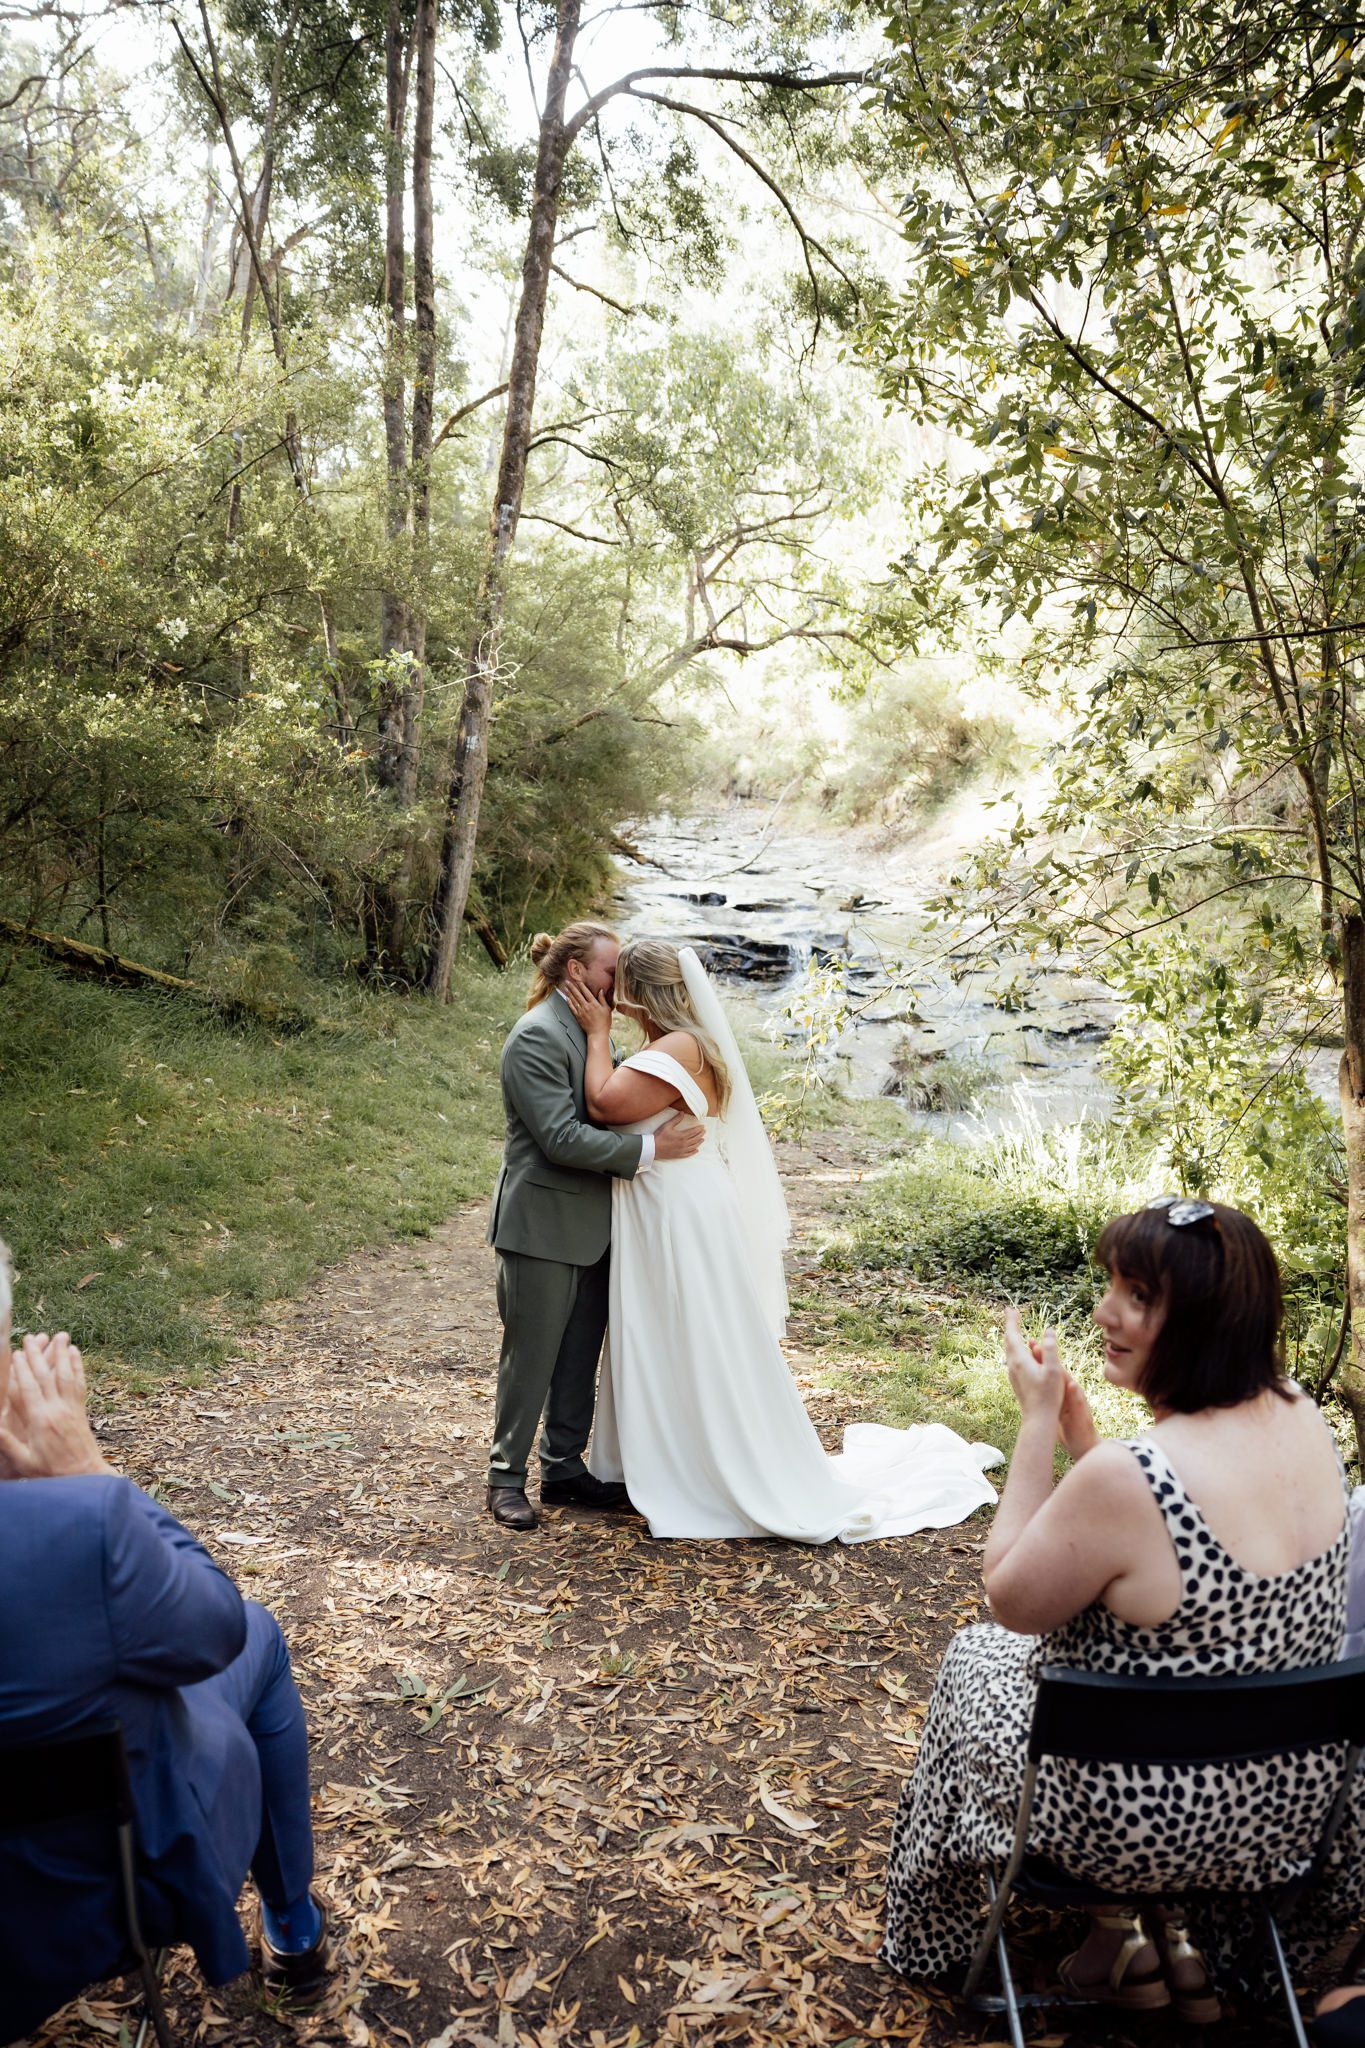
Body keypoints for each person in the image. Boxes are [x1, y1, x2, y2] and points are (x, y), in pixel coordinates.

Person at [881, 1197, 1360, 2020]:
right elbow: (1170, 1569)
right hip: (1280, 1812)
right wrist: (1086, 1443)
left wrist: (1035, 1424)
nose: (1105, 1310)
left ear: (1206, 1322)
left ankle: (980, 1933)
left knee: (976, 1656)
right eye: (1112, 1285)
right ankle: (1149, 1941)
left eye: (1137, 1295)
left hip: (1135, 1826)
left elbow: (1009, 1597)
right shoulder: (1300, 1417)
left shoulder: (1126, 1480)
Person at [561, 935, 1002, 1541]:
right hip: (677, 1202)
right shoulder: (680, 1044)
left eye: (617, 983)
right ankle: (677, 1454)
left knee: (695, 1330)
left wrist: (593, 1034)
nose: (607, 992)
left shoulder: (677, 1048)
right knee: (678, 1329)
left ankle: (706, 1466)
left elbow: (605, 1105)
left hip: (679, 1209)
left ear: (637, 992)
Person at [0, 1238, 329, 2037]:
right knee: (256, 1633)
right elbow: (209, 1632)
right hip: (102, 1892)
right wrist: (89, 1477)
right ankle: (293, 1928)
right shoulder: (80, 1533)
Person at [485, 920, 705, 1531]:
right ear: (577, 971)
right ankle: (505, 1478)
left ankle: (562, 1469)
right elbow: (559, 1136)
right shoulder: (535, 1037)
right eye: (613, 972)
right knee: (531, 1356)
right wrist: (651, 1151)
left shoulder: (589, 1029)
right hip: (542, 1225)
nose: (621, 984)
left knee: (580, 1353)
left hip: (599, 1225)